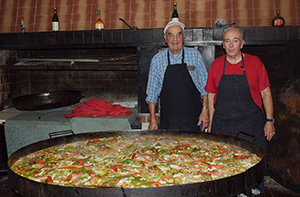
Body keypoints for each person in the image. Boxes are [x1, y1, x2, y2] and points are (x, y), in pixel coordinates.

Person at [205, 27, 275, 194]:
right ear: (222, 45)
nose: (231, 45)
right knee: (225, 169)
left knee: (254, 168)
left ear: (242, 44)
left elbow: (266, 93)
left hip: (250, 127)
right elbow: (210, 96)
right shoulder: (216, 65)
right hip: (224, 127)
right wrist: (211, 124)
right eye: (227, 41)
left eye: (235, 40)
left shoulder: (255, 63)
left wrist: (270, 121)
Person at [146, 20, 208, 131]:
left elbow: (205, 87)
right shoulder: (157, 60)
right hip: (169, 119)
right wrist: (152, 118)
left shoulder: (195, 56)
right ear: (165, 38)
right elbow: (152, 94)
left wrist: (205, 110)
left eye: (178, 35)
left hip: (194, 118)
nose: (175, 40)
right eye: (171, 36)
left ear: (183, 37)